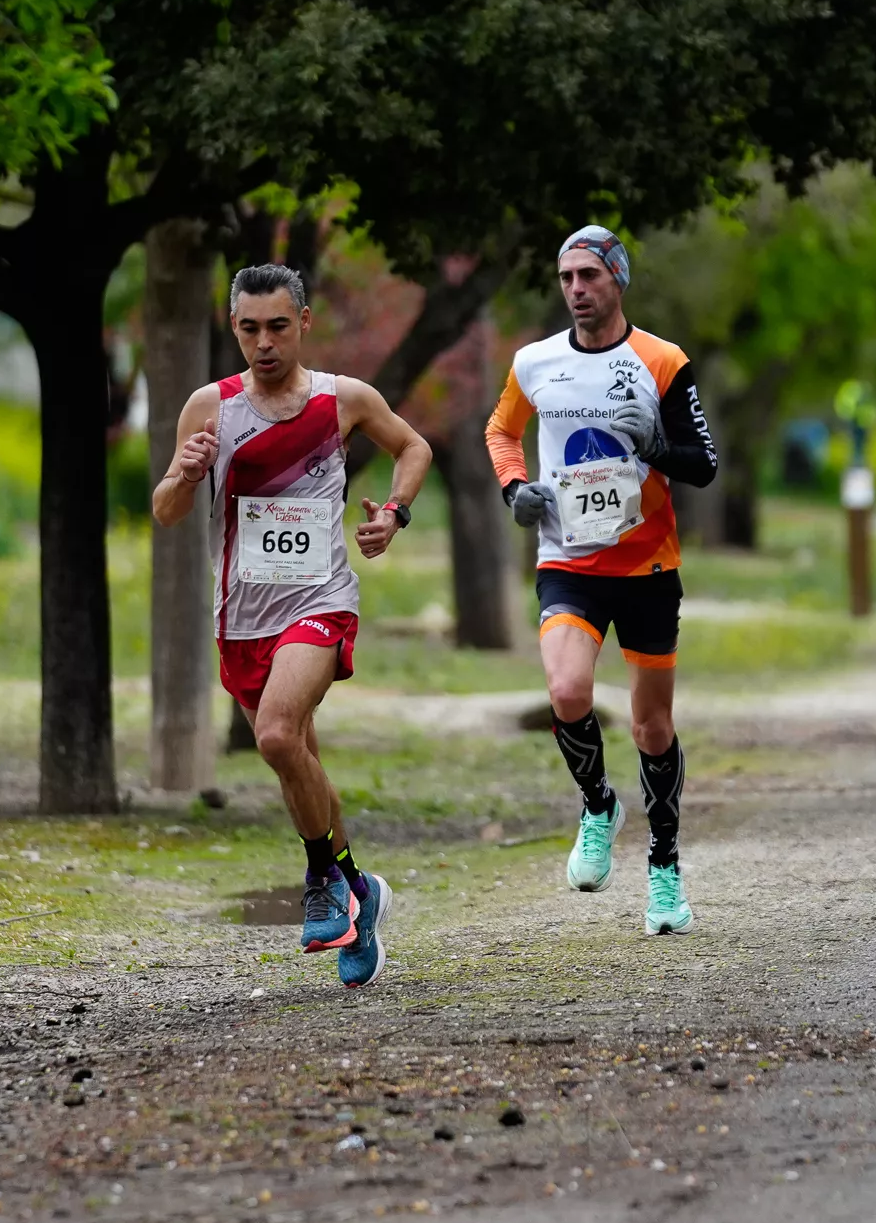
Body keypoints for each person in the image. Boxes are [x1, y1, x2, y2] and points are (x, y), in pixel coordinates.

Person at [153, 264, 433, 988]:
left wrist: (394, 514)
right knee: (297, 759)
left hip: (320, 603)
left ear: (303, 323)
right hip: (242, 617)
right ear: (234, 327)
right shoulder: (209, 409)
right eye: (249, 328)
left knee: (274, 734)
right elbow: (165, 511)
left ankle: (319, 882)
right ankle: (358, 893)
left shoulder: (344, 400)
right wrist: (185, 472)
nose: (264, 342)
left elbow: (414, 447)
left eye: (278, 326)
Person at [487, 226, 721, 935]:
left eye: (589, 275)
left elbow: (703, 462)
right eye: (566, 279)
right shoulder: (535, 363)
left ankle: (664, 868)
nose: (577, 290)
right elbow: (501, 431)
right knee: (566, 690)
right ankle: (597, 805)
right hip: (568, 562)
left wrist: (655, 445)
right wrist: (514, 488)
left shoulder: (661, 360)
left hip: (648, 567)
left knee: (652, 727)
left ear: (617, 278)